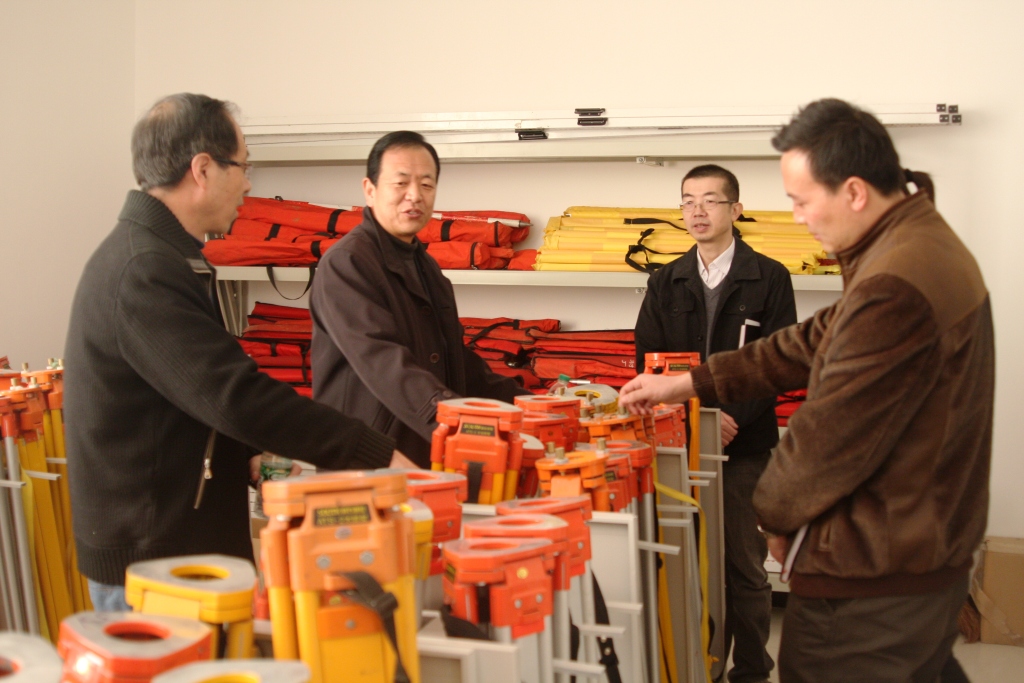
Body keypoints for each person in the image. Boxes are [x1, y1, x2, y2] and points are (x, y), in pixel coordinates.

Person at [620, 99, 993, 682]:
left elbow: (830, 428)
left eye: (801, 200)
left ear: (854, 192)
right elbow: (808, 341)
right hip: (915, 548)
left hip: (876, 564)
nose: (796, 218)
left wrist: (776, 517)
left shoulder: (896, 279)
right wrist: (689, 383)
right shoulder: (913, 243)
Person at [64, 93, 413, 612]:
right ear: (203, 170)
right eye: (243, 167)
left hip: (173, 549)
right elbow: (233, 395)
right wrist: (371, 452)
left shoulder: (164, 257)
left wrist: (245, 452)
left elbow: (188, 391)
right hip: (155, 563)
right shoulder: (143, 270)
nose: (248, 184)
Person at [635, 164, 796, 683]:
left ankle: (750, 671)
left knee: (744, 567)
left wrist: (727, 419)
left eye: (710, 200)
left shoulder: (769, 277)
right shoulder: (665, 280)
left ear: (736, 209)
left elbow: (778, 363)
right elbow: (648, 362)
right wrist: (697, 420)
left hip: (743, 446)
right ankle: (700, 667)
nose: (697, 211)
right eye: (688, 201)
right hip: (678, 446)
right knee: (689, 562)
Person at [310, 131, 528, 468]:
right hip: (370, 461)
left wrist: (529, 407)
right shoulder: (347, 263)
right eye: (401, 183)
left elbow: (457, 363)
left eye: (426, 185)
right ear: (370, 190)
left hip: (423, 454)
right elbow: (384, 363)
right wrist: (461, 426)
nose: (415, 195)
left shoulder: (426, 266)